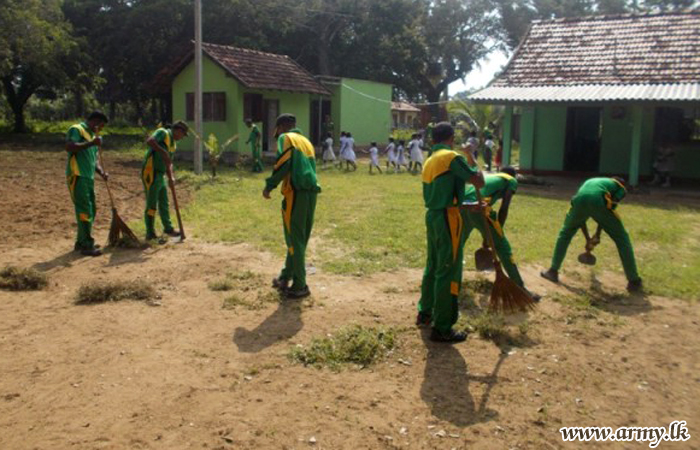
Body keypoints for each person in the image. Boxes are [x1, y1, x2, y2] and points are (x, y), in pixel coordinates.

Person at [417, 122, 484, 343]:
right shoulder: (451, 157)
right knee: (448, 268)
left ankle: (425, 313)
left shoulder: (430, 160)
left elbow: (442, 193)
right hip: (448, 218)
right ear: (451, 138)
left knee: (433, 264)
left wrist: (465, 205)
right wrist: (471, 155)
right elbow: (478, 181)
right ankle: (443, 327)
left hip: (434, 215)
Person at [541, 177, 642, 292]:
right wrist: (597, 234)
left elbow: (581, 219)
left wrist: (589, 238)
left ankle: (553, 271)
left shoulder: (593, 181)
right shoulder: (621, 187)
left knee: (565, 234)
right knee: (622, 239)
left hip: (579, 200)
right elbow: (608, 209)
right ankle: (633, 281)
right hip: (598, 200)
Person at [264, 114, 321, 299]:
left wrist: (270, 185)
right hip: (311, 192)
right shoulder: (305, 141)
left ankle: (300, 284)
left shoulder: (286, 138)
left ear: (281, 127)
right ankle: (285, 276)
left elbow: (284, 163)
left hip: (296, 191)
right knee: (299, 238)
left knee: (293, 239)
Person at [462, 168, 540, 300]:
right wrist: (499, 233)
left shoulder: (492, 176)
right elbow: (504, 206)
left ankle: (448, 279)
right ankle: (520, 288)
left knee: (457, 243)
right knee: (503, 248)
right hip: (479, 206)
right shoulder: (511, 180)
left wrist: (488, 237)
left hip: (464, 205)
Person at [65, 111, 110, 256]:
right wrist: (92, 143)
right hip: (77, 174)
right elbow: (70, 147)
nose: (101, 129)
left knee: (92, 210)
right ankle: (86, 245)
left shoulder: (92, 136)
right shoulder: (77, 129)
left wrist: (101, 172)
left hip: (88, 177)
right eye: (101, 126)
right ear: (95, 121)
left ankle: (81, 241)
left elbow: (94, 159)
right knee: (84, 210)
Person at [142, 121, 188, 241]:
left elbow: (169, 163)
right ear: (178, 130)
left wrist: (171, 177)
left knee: (164, 202)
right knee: (152, 203)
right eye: (183, 134)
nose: (182, 137)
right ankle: (150, 233)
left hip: (161, 174)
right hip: (151, 171)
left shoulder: (173, 144)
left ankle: (168, 228)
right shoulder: (163, 132)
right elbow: (150, 141)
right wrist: (163, 152)